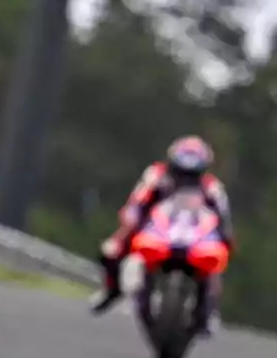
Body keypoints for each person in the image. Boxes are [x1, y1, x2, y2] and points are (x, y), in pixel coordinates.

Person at [88, 135, 233, 334]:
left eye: (192, 173)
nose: (186, 178)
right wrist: (131, 220)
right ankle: (112, 290)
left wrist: (225, 236)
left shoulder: (212, 187)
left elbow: (222, 214)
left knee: (215, 261)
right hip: (156, 230)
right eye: (182, 172)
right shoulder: (156, 175)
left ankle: (209, 310)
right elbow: (138, 201)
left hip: (194, 235)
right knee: (111, 250)